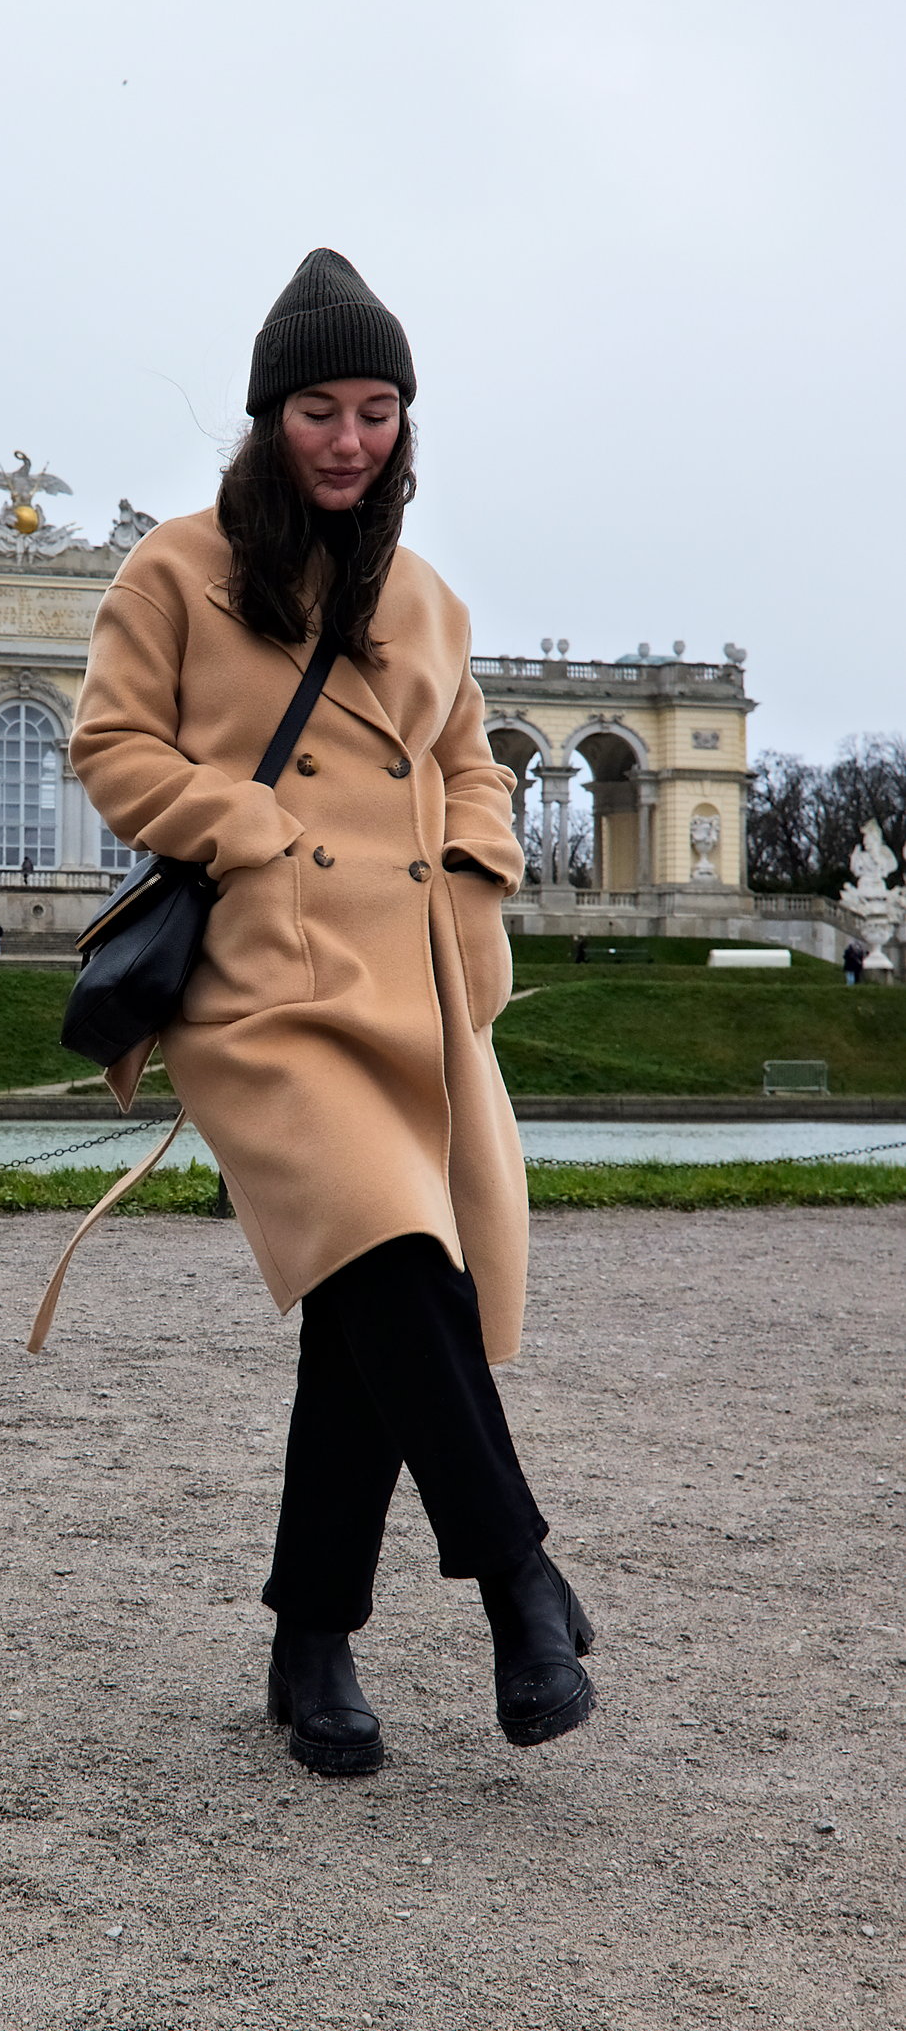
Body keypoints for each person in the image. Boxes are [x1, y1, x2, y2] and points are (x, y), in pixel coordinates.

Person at [70, 246, 594, 1776]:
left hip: (420, 984)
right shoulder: (176, 568)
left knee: (371, 1307)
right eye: (319, 408)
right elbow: (112, 749)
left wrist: (479, 859)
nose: (350, 438)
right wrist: (241, 828)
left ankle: (313, 1648)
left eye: (376, 409)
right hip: (263, 986)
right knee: (385, 1251)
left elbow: (475, 755)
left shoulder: (426, 597)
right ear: (267, 417)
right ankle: (520, 1582)